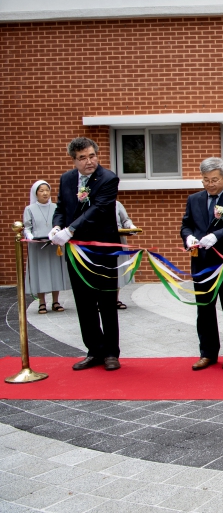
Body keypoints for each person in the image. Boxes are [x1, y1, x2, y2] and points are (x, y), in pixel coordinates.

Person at [49, 137, 121, 371]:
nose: (89, 162)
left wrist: (70, 229)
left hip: (102, 250)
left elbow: (98, 209)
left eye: (92, 156)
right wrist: (58, 226)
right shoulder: (67, 179)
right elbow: (61, 207)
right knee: (84, 301)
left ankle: (111, 352)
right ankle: (94, 350)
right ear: (74, 160)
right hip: (75, 251)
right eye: (83, 158)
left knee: (107, 302)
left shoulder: (108, 178)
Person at [180, 157, 223, 371]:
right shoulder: (194, 199)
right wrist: (188, 237)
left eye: (215, 180)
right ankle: (207, 352)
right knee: (205, 309)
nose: (210, 184)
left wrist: (216, 236)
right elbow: (186, 224)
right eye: (206, 180)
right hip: (201, 263)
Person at [23, 180, 70, 314]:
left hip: (53, 245)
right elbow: (27, 227)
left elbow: (61, 223)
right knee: (40, 273)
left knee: (55, 271)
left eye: (47, 190)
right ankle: (42, 302)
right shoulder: (30, 209)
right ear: (35, 193)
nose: (45, 193)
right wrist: (30, 235)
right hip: (37, 246)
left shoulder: (56, 207)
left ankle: (56, 301)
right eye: (41, 190)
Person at [114, 201, 136, 309]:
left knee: (117, 270)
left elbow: (125, 220)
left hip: (118, 239)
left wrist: (131, 226)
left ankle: (115, 299)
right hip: (99, 242)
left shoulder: (117, 204)